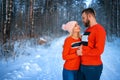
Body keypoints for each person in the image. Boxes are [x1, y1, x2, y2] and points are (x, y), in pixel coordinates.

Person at [77, 8, 106, 80]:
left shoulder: (99, 29)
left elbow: (99, 50)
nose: (82, 20)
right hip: (82, 65)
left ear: (89, 16)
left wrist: (83, 52)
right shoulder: (87, 30)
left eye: (83, 18)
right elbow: (86, 44)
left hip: (93, 68)